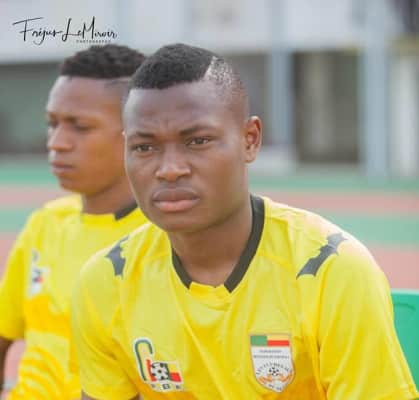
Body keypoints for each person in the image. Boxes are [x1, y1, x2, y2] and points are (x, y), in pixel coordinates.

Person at [71, 43, 419, 400]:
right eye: (144, 147)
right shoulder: (107, 281)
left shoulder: (331, 271)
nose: (170, 169)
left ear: (249, 140)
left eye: (197, 141)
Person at [0, 44, 148, 400]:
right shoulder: (46, 224)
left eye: (80, 127)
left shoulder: (166, 241)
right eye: (53, 124)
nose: (57, 143)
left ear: (138, 134)